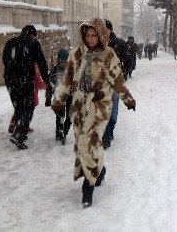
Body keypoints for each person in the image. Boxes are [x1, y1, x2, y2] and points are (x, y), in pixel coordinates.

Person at [51, 17, 136, 208]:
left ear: (101, 35)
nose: (90, 39)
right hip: (79, 109)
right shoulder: (76, 54)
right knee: (87, 144)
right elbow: (67, 80)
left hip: (99, 108)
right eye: (87, 35)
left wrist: (128, 100)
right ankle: (100, 169)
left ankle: (87, 187)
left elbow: (118, 81)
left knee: (88, 144)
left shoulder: (109, 55)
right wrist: (59, 99)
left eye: (94, 35)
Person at [3, 25, 48, 150]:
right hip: (25, 80)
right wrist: (46, 78)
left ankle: (19, 132)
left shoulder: (10, 42)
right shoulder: (33, 43)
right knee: (28, 108)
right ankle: (19, 135)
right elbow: (41, 61)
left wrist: (12, 72)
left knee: (18, 107)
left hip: (10, 80)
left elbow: (5, 60)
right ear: (32, 34)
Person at [101, 19, 131, 150]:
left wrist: (122, 74)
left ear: (110, 30)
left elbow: (128, 59)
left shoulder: (119, 44)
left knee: (113, 112)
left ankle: (109, 131)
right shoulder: (96, 45)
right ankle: (105, 136)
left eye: (104, 29)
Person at [45, 48, 72, 145]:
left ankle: (59, 130)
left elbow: (48, 85)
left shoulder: (54, 69)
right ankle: (64, 131)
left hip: (58, 94)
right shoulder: (71, 69)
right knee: (70, 116)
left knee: (60, 114)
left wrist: (48, 99)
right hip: (70, 95)